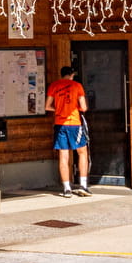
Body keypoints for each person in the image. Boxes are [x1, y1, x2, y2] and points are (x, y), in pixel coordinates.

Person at [47, 65, 90, 197]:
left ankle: (66, 188)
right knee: (82, 152)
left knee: (63, 156)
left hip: (60, 123)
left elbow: (47, 106)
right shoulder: (77, 86)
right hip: (74, 123)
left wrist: (58, 110)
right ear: (71, 75)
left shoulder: (54, 86)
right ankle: (83, 185)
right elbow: (84, 107)